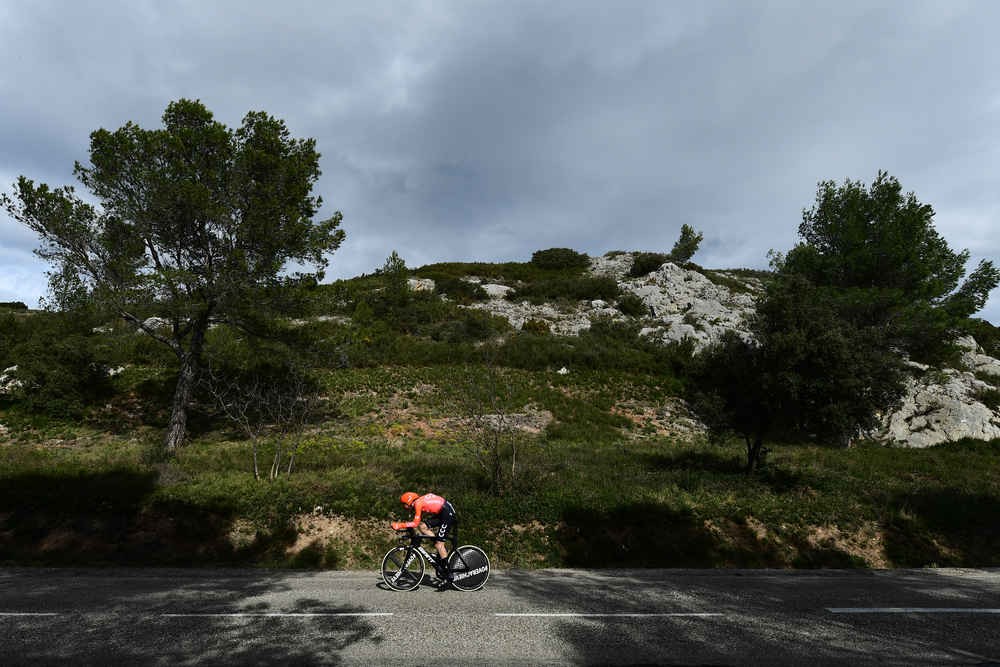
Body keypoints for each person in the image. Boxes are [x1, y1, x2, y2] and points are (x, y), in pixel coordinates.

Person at [391, 491, 456, 579]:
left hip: (447, 513)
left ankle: (449, 574)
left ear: (409, 502)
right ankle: (438, 547)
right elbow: (418, 523)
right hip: (444, 511)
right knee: (423, 526)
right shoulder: (419, 501)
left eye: (404, 504)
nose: (404, 507)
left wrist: (399, 525)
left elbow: (415, 523)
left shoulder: (418, 503)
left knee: (439, 544)